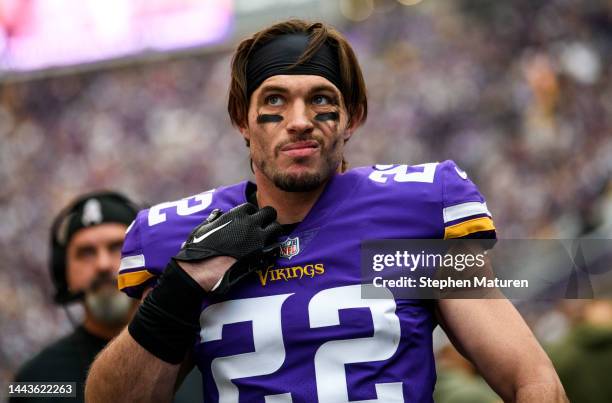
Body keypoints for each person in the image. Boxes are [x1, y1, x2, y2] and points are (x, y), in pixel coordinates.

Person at [86, 20, 566, 402]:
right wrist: (182, 288)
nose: (299, 122)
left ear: (351, 118)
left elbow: (532, 379)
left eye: (321, 100)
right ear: (242, 119)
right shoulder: (183, 237)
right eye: (274, 99)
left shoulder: (416, 211)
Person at [12, 191, 201, 403]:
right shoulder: (36, 381)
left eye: (116, 247)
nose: (102, 265)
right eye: (86, 252)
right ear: (63, 272)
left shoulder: (205, 357)